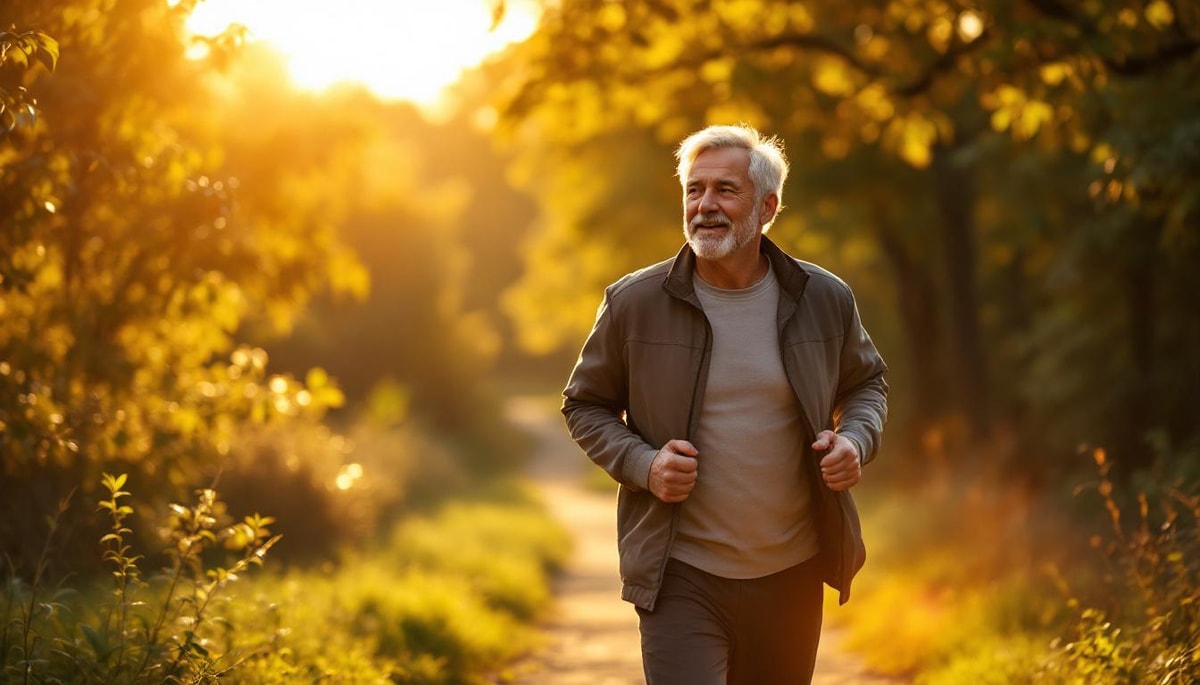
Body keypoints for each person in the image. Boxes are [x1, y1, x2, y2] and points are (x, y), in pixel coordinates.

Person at [561, 124, 888, 684]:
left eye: (724, 191)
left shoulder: (823, 298)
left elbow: (867, 385)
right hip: (680, 572)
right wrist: (645, 464)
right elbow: (584, 404)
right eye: (694, 189)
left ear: (767, 207)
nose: (704, 205)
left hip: (792, 573)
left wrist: (855, 440)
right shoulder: (634, 302)